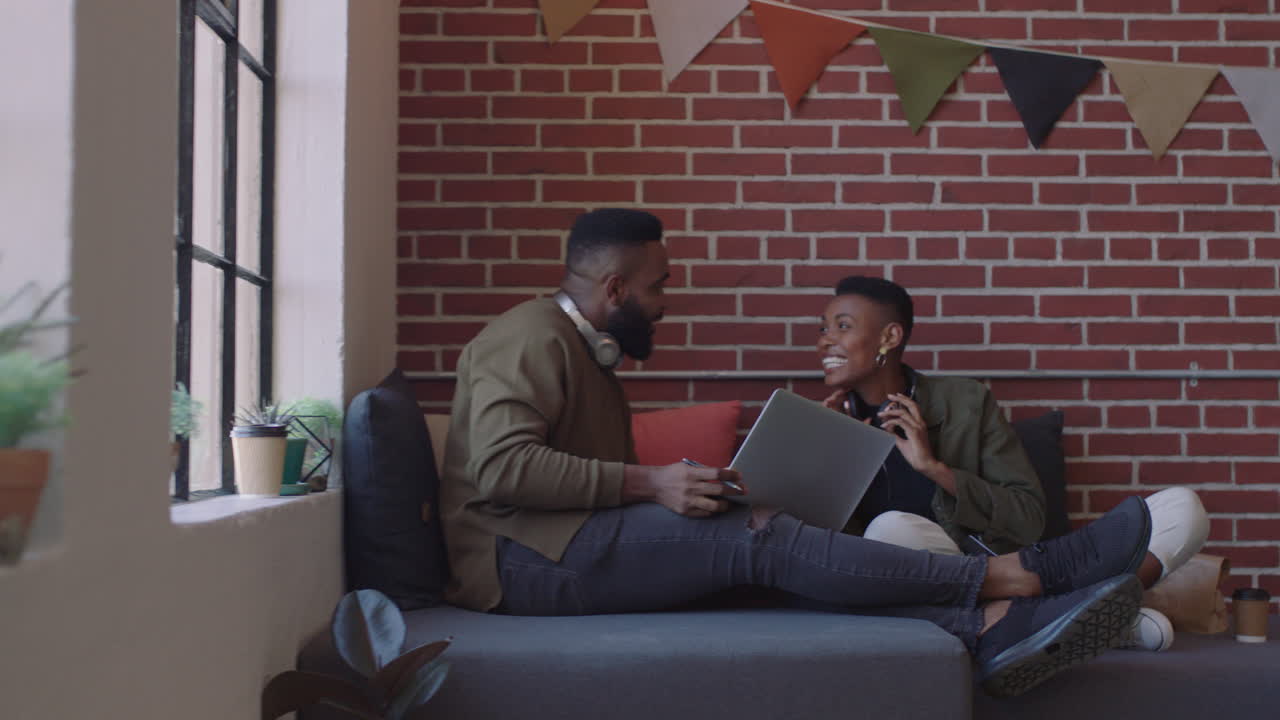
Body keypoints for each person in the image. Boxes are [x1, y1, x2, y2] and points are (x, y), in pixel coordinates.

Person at [438, 208, 1152, 698]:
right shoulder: (527, 338)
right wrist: (652, 482)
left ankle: (989, 631)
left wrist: (688, 485)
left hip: (565, 543)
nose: (665, 302)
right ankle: (1021, 575)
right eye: (657, 287)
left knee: (765, 548)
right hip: (520, 561)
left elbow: (597, 489)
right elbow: (502, 469)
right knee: (760, 537)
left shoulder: (589, 357)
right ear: (615, 287)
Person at [814, 275, 1210, 651]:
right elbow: (811, 550)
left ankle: (1049, 615)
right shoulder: (825, 428)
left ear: (889, 336)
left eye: (841, 326)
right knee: (891, 531)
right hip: (929, 581)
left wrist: (934, 468)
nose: (825, 340)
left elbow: (1028, 516)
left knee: (1182, 507)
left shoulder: (966, 402)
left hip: (1009, 566)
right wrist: (832, 455)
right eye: (823, 329)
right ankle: (1071, 616)